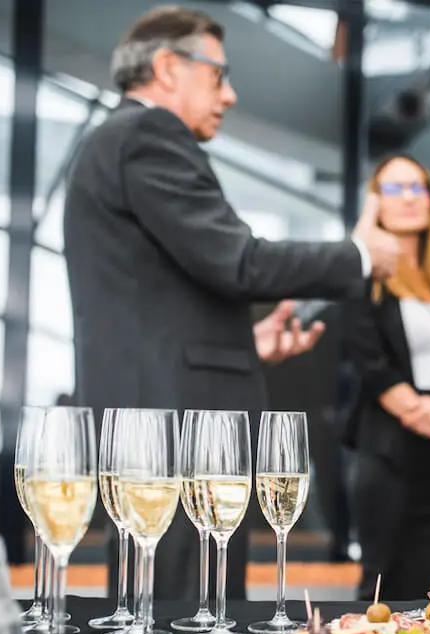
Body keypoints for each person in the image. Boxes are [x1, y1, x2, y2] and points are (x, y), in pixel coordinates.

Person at [62, 5, 400, 602]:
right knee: (180, 621)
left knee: (165, 611)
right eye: (219, 75)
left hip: (157, 422)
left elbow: (162, 293)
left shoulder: (120, 142)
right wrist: (360, 256)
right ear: (168, 67)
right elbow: (238, 261)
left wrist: (245, 343)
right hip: (176, 434)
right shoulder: (148, 135)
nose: (231, 94)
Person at [344, 154, 430, 602]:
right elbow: (374, 368)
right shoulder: (364, 277)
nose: (408, 198)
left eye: (417, 187)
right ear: (375, 204)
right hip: (391, 453)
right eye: (393, 189)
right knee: (385, 592)